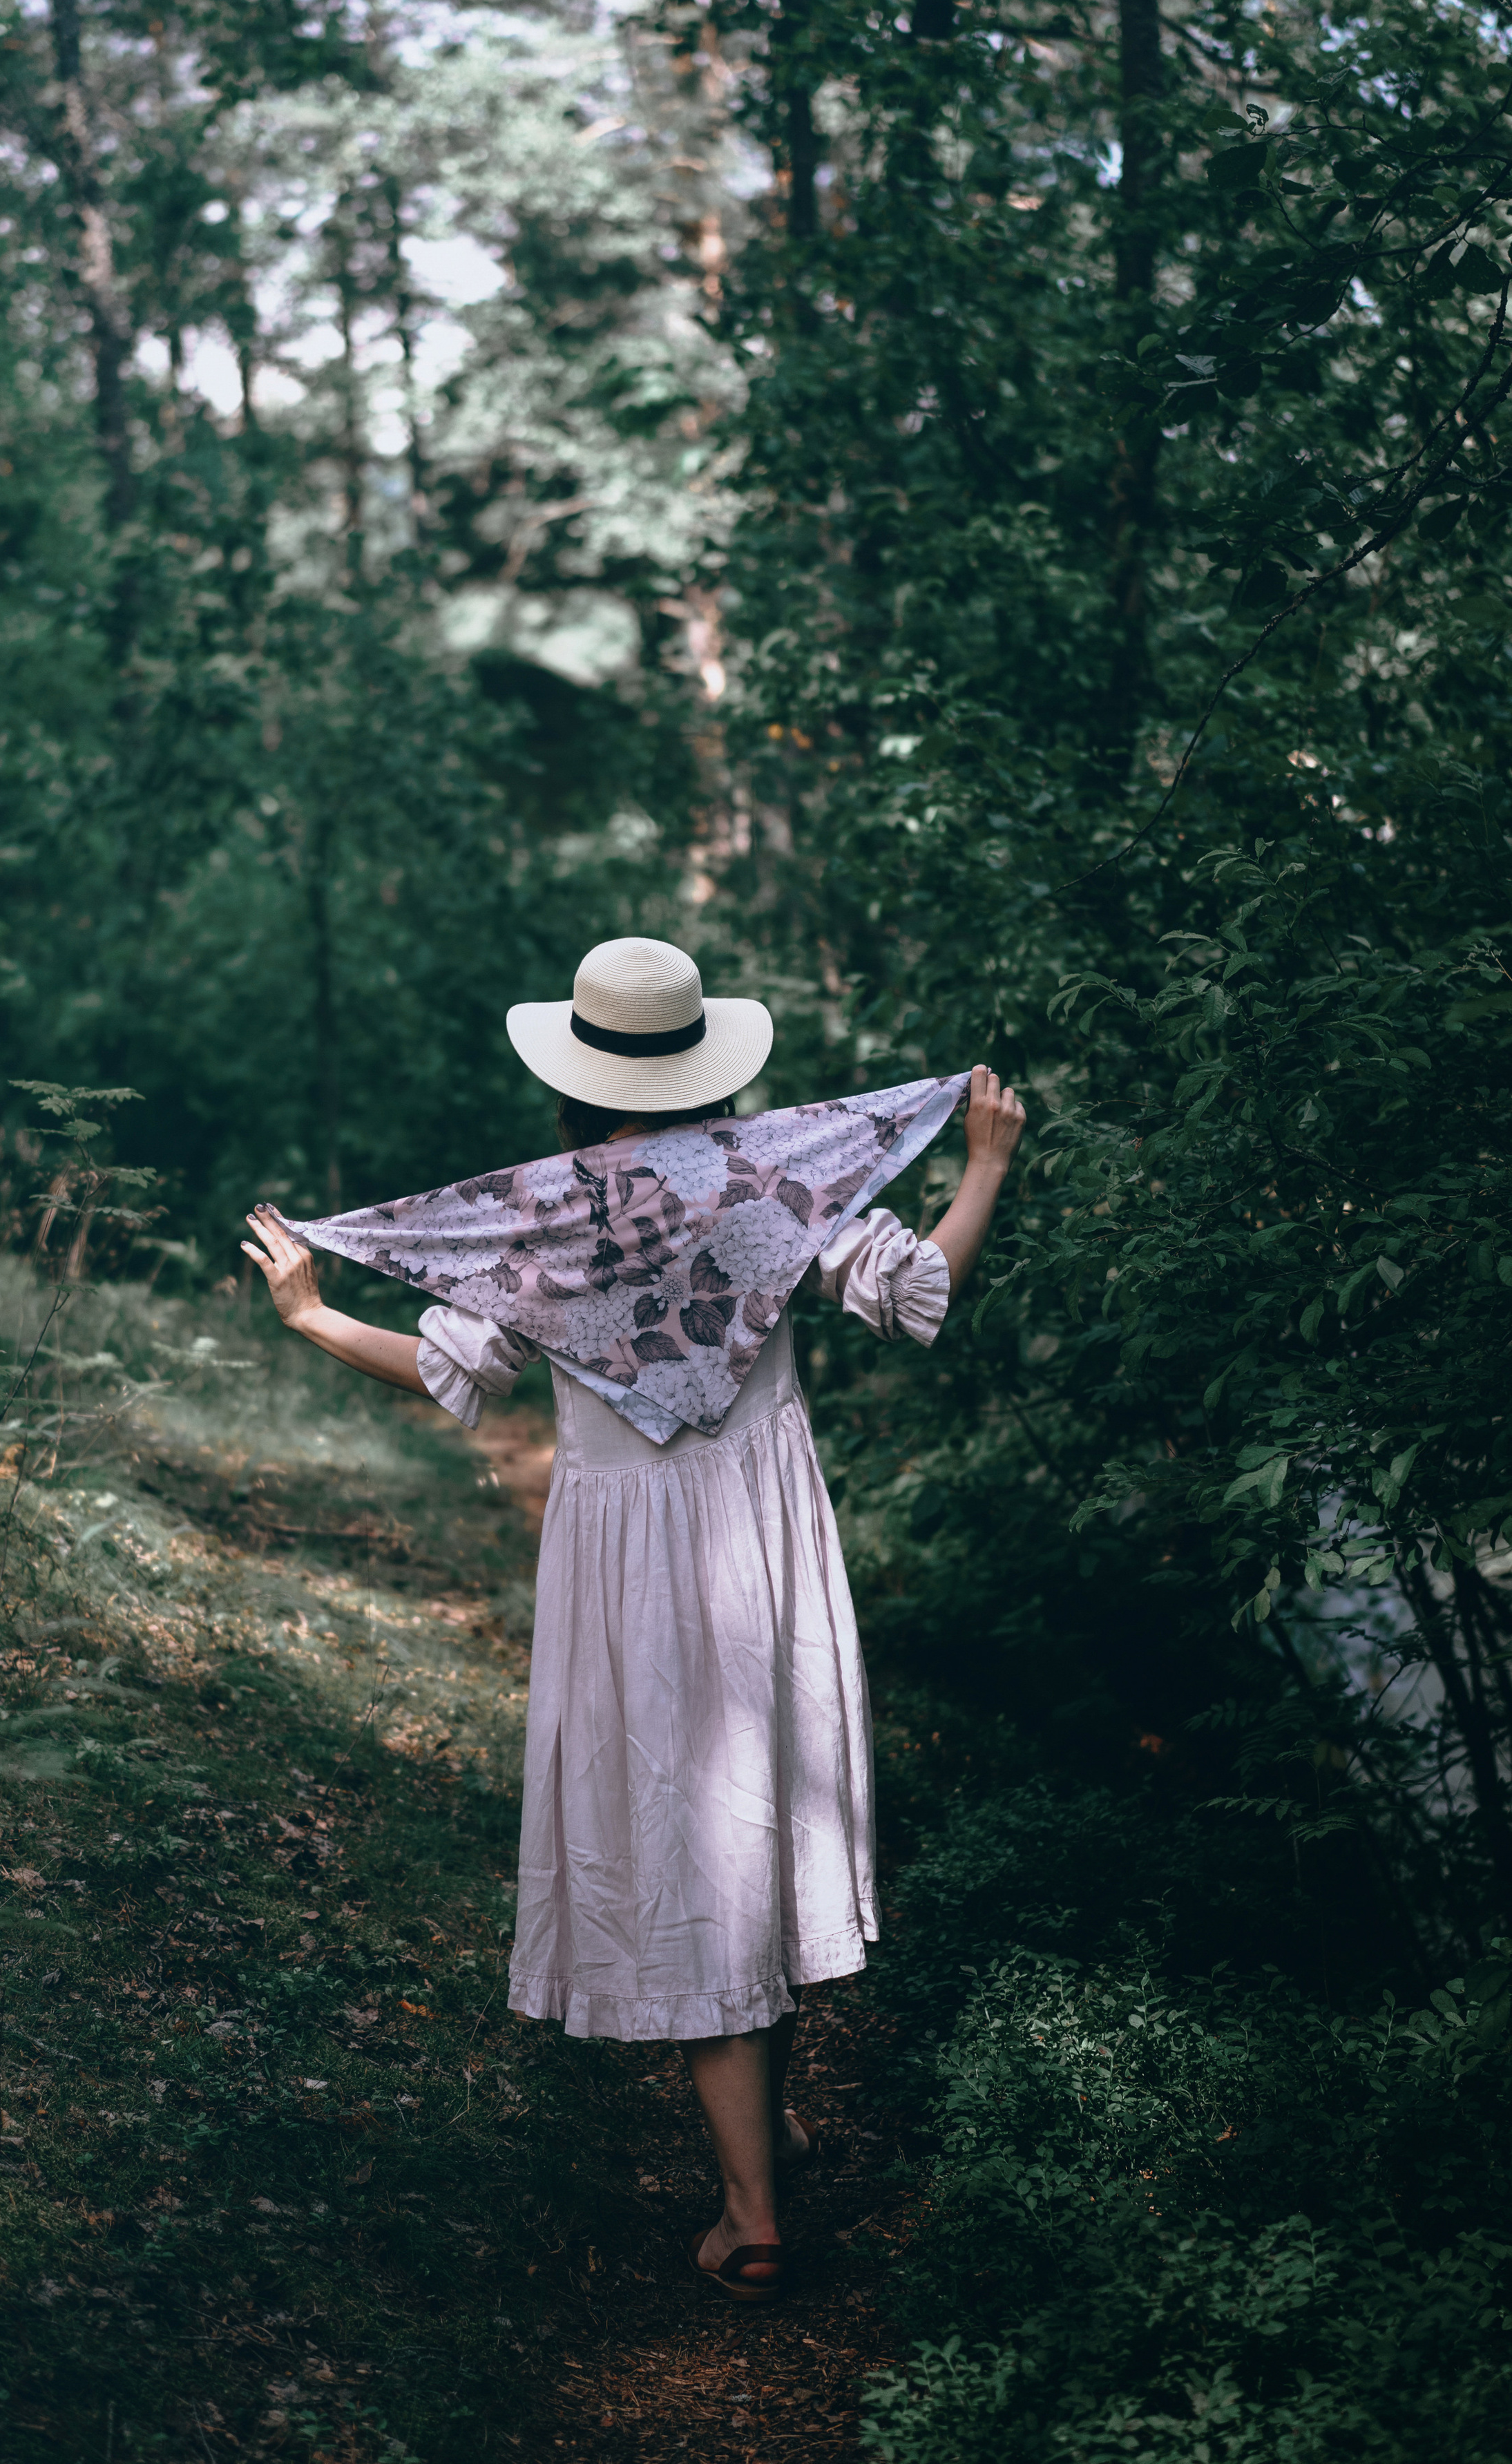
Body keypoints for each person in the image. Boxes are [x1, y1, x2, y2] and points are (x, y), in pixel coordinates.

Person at [242, 937, 1024, 2304]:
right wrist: (987, 1166)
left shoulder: (548, 1221)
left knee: (674, 1851)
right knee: (736, 1845)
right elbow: (913, 1298)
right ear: (701, 1062)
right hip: (762, 1548)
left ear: (575, 1076)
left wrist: (308, 1313)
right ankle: (760, 2146)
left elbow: (446, 1369)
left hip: (625, 1566)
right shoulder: (770, 1184)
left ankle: (750, 2213)